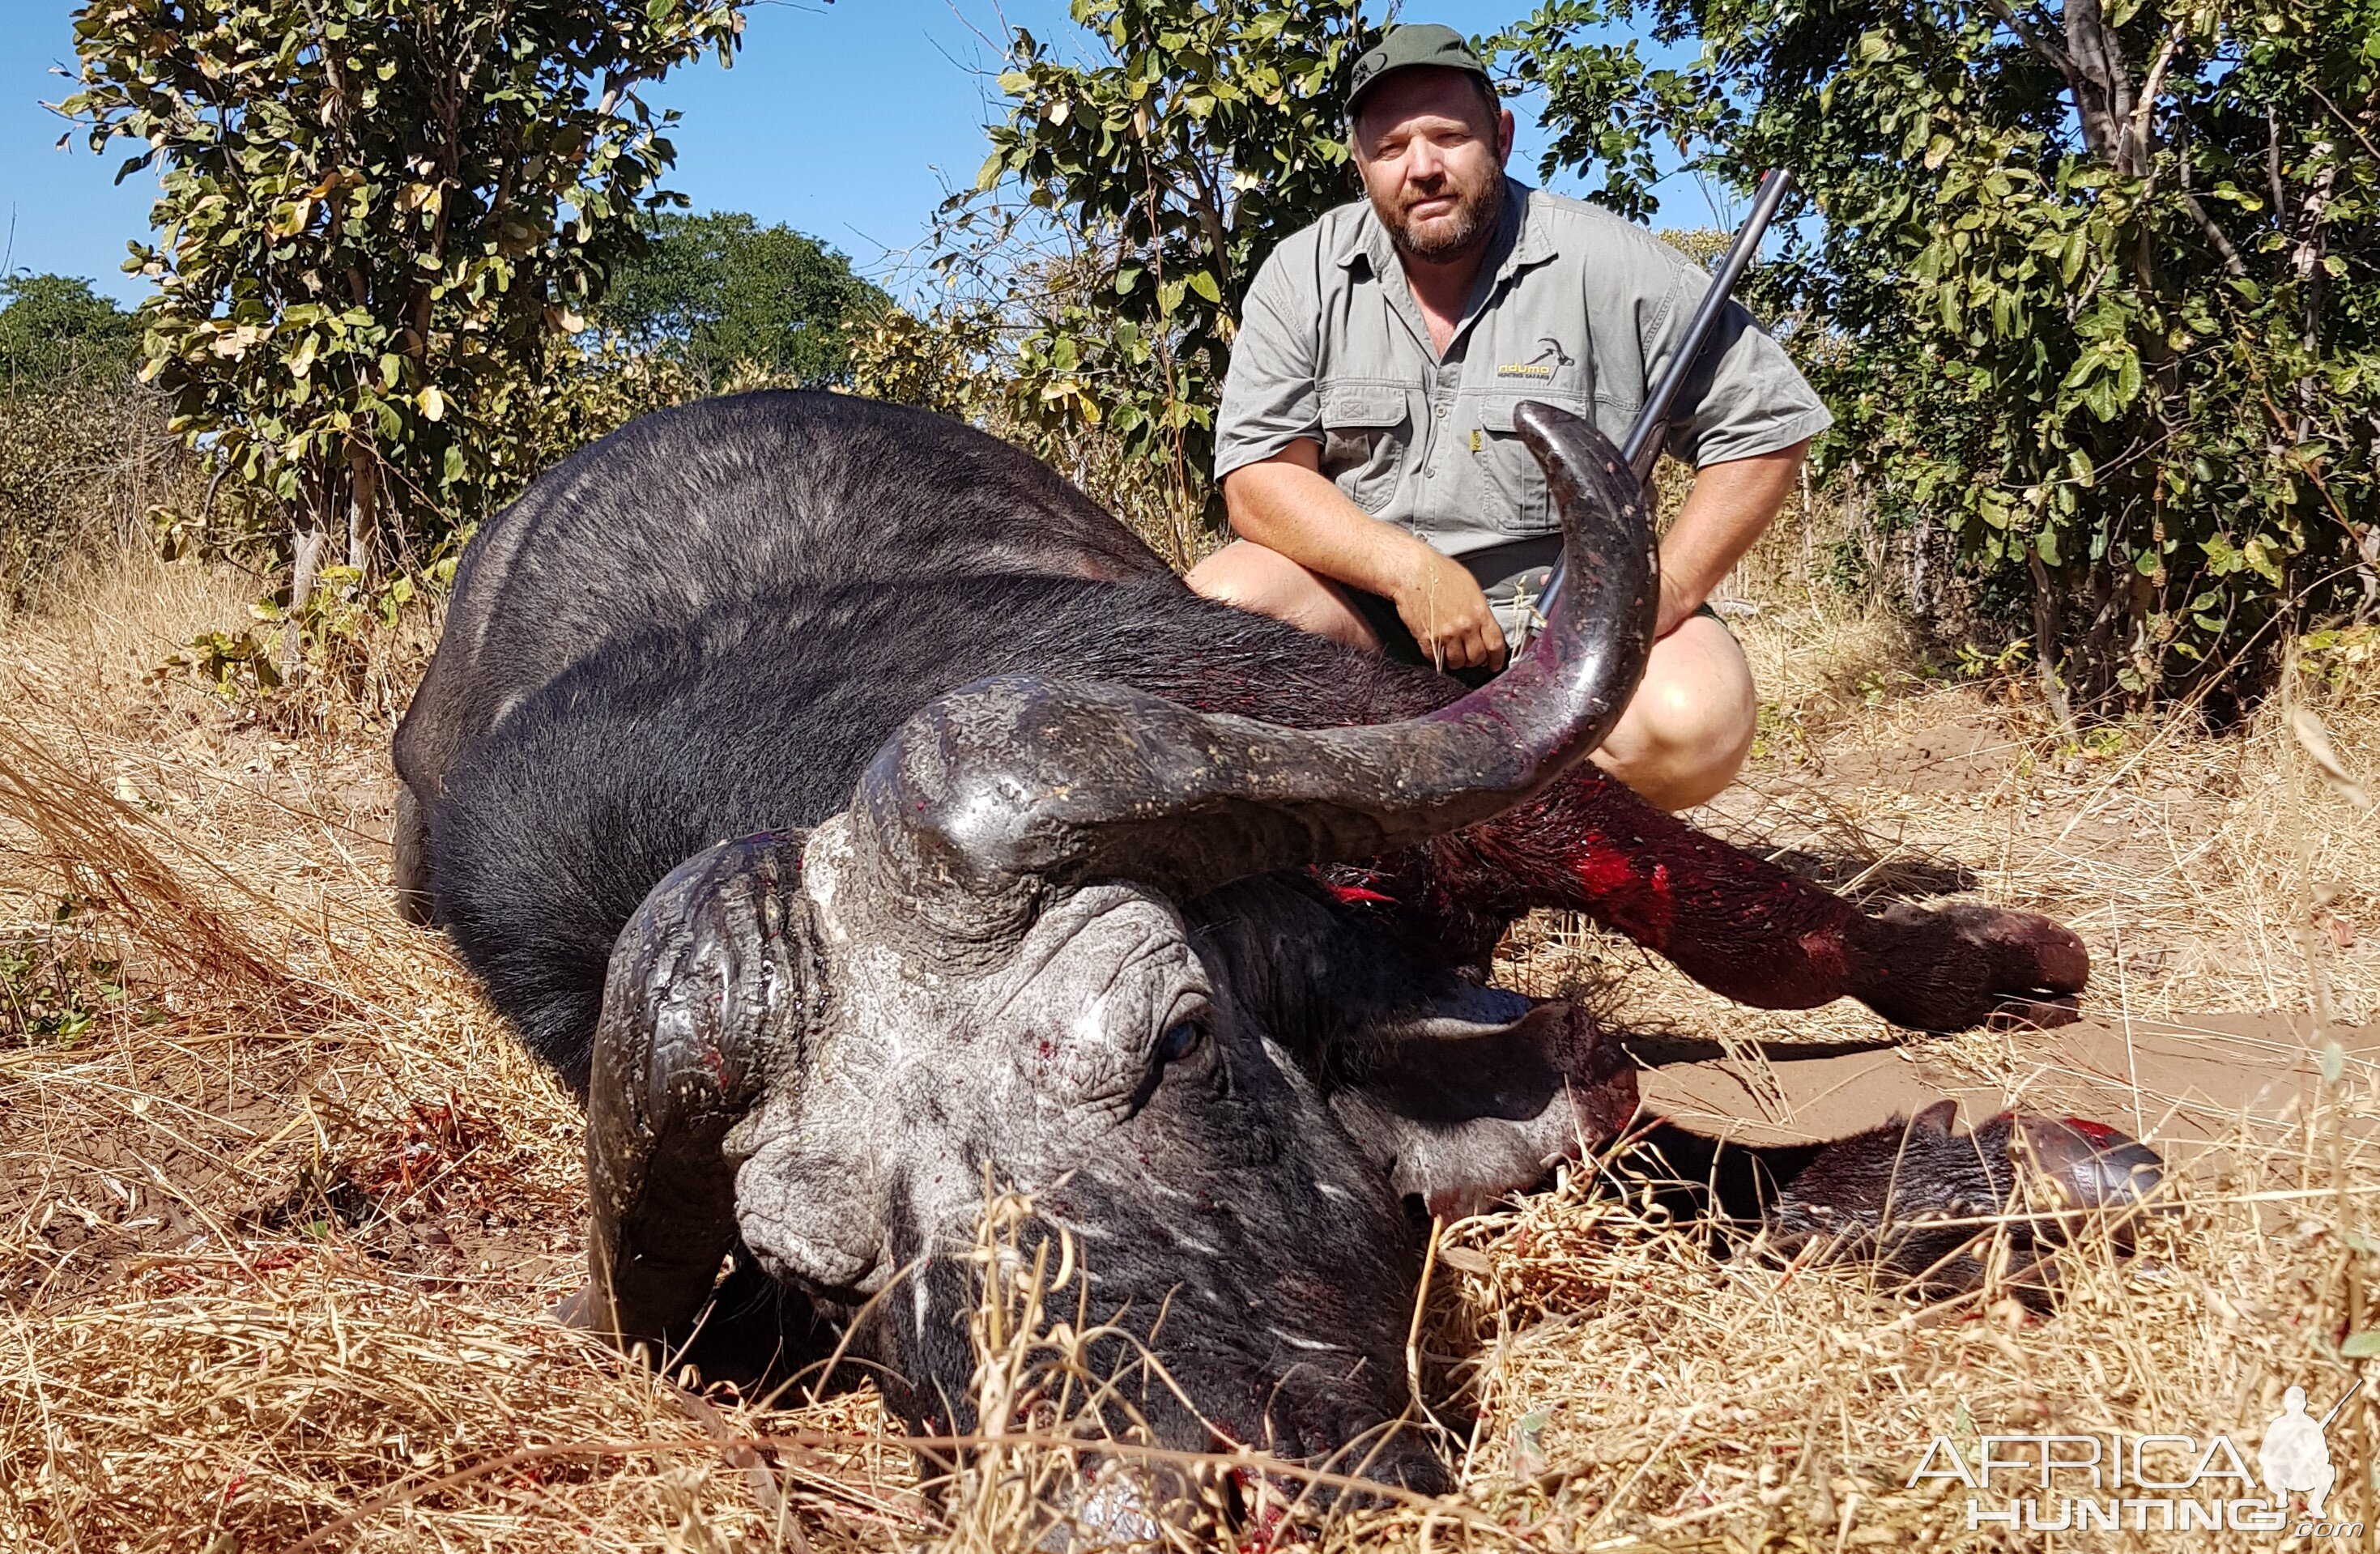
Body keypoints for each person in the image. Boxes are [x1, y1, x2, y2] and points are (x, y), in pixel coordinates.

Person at [1187, 23, 1832, 811]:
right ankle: (1357, 854)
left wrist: (1651, 599)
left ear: (1499, 136)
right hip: (1371, 612)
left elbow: (1765, 429)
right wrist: (1411, 572)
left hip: (1564, 621)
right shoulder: (1302, 273)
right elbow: (1258, 483)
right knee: (1209, 623)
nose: (1421, 167)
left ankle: (1569, 848)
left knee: (1687, 722)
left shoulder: (1610, 264)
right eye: (1389, 148)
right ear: (1360, 164)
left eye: (1447, 137)